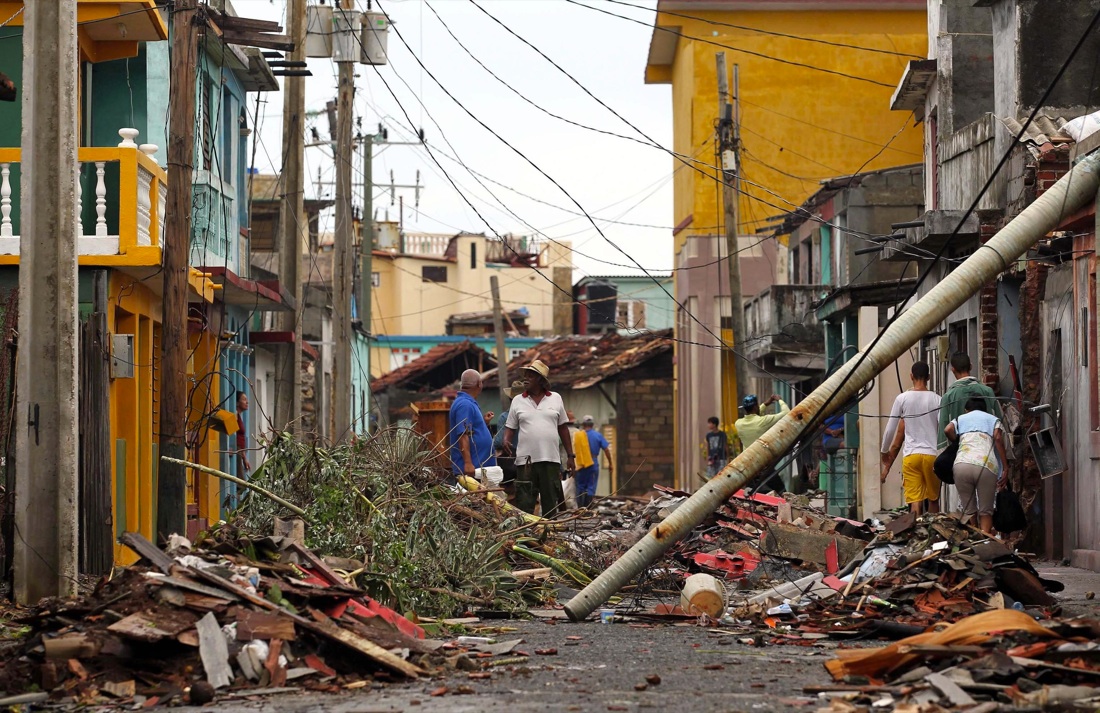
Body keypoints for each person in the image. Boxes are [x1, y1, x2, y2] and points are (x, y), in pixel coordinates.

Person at [503, 360, 573, 516]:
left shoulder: (556, 398)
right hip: (525, 462)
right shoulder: (518, 400)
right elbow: (510, 427)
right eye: (525, 376)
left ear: (541, 380)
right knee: (525, 504)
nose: (525, 379)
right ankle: (526, 531)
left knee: (550, 503)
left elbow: (563, 428)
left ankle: (549, 530)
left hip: (550, 460)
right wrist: (506, 439)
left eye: (531, 376)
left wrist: (570, 456)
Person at [880, 361, 943, 515]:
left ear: (911, 376)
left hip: (911, 456)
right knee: (933, 499)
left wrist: (884, 450)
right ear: (929, 377)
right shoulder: (938, 399)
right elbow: (943, 429)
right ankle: (934, 528)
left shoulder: (902, 398)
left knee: (915, 501)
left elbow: (890, 428)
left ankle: (915, 528)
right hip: (932, 455)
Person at [944, 397, 1008, 534]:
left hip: (961, 465)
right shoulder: (993, 419)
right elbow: (997, 438)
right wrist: (1005, 467)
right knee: (986, 511)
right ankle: (984, 539)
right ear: (984, 409)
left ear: (966, 410)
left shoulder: (960, 418)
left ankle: (973, 538)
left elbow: (948, 429)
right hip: (986, 466)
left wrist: (957, 441)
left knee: (969, 510)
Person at [938, 353, 1002, 447]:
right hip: (987, 451)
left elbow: (943, 436)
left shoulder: (948, 397)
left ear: (953, 370)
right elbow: (999, 427)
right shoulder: (987, 392)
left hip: (960, 453)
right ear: (971, 366)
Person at [448, 369, 495, 485]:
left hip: (478, 469)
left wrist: (483, 422)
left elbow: (469, 429)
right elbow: (463, 434)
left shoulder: (467, 403)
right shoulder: (465, 404)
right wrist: (468, 463)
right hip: (472, 471)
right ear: (479, 384)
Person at [736, 394, 790, 492]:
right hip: (764, 464)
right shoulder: (763, 421)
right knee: (782, 492)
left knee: (750, 494)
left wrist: (765, 404)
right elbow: (786, 413)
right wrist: (780, 400)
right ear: (755, 407)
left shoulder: (738, 424)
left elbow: (754, 415)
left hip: (749, 466)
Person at [574, 415, 612, 508]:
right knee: (591, 485)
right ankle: (588, 508)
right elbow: (606, 450)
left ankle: (580, 508)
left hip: (581, 463)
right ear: (592, 424)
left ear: (583, 424)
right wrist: (610, 463)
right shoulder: (597, 435)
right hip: (593, 462)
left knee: (580, 486)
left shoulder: (578, 435)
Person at [236, 391, 251, 474]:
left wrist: (244, 457)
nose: (247, 402)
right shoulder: (235, 416)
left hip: (240, 452)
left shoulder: (239, 417)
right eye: (244, 399)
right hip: (236, 451)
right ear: (237, 403)